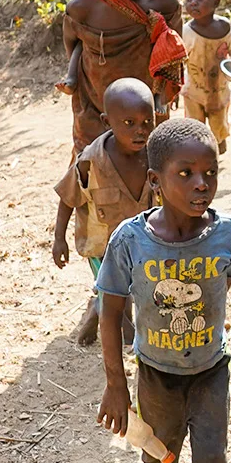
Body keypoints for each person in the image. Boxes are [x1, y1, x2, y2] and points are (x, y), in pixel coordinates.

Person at [95, 119, 231, 463]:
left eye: (210, 172)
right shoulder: (129, 241)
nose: (201, 184)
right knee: (159, 449)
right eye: (186, 173)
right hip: (155, 371)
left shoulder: (229, 235)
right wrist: (116, 386)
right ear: (155, 179)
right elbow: (111, 312)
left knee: (212, 460)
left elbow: (223, 289)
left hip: (210, 371)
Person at [63, 0, 186, 156]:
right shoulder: (83, 5)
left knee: (150, 167)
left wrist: (162, 96)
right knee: (93, 168)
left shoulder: (166, 2)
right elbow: (71, 42)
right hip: (96, 106)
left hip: (147, 111)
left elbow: (174, 56)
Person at [52, 78, 155, 345]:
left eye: (147, 122)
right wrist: (59, 238)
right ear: (107, 122)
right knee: (116, 296)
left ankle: (96, 309)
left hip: (142, 243)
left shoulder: (155, 157)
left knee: (134, 288)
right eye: (129, 123)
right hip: (102, 246)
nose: (140, 131)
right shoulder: (90, 161)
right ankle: (123, 328)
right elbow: (68, 197)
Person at [181, 0, 231, 155]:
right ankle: (199, 149)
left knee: (218, 119)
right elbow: (179, 54)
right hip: (194, 86)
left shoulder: (224, 27)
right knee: (194, 122)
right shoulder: (186, 31)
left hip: (219, 86)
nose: (193, 3)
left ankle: (220, 139)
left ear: (216, 2)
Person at [56, 0, 109, 97]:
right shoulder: (82, 5)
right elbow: (71, 39)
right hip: (93, 44)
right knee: (81, 44)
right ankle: (71, 78)